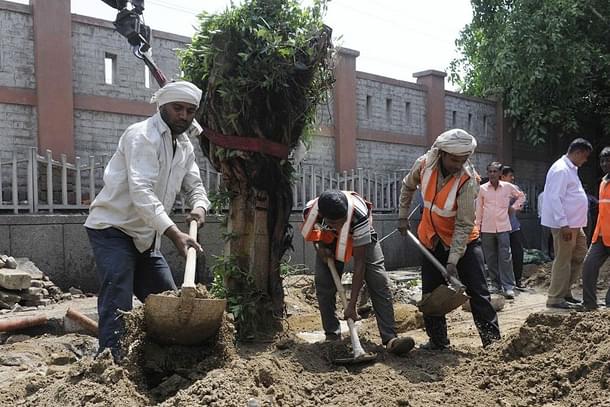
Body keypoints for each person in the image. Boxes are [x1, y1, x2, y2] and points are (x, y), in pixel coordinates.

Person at [85, 81, 210, 359]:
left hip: (145, 237)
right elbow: (141, 191)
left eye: (190, 111)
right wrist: (175, 234)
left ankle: (165, 360)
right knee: (118, 291)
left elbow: (195, 185)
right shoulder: (142, 136)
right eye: (178, 108)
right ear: (162, 106)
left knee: (167, 300)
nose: (184, 116)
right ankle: (110, 361)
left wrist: (199, 207)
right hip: (112, 228)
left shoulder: (185, 146)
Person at [398, 128, 501, 350]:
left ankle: (492, 344)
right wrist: (402, 216)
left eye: (463, 160)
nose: (458, 164)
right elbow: (408, 186)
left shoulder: (468, 180)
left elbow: (464, 224)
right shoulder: (425, 164)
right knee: (431, 295)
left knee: (478, 293)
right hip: (431, 238)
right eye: (454, 159)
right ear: (442, 153)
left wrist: (453, 260)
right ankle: (438, 341)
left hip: (463, 242)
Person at [301, 190, 415, 356]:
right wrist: (320, 249)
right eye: (334, 223)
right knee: (324, 283)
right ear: (324, 216)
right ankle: (332, 336)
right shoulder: (310, 212)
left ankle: (390, 339)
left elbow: (360, 263)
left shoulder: (358, 214)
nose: (339, 226)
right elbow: (313, 235)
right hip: (329, 239)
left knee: (378, 280)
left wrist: (352, 305)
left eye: (341, 222)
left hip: (362, 236)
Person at [541, 138, 593, 309]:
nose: (585, 161)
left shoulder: (571, 169)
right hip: (565, 225)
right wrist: (564, 224)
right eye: (584, 157)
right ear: (577, 153)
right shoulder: (561, 169)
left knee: (579, 255)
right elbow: (554, 198)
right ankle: (555, 298)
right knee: (563, 259)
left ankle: (565, 291)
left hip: (575, 224)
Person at [476, 162, 524, 299]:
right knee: (490, 258)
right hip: (487, 228)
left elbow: (521, 196)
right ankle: (495, 285)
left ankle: (508, 286)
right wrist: (477, 227)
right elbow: (479, 208)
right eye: (490, 171)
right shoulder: (482, 189)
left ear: (500, 173)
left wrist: (514, 207)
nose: (492, 174)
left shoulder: (508, 187)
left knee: (505, 257)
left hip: (503, 226)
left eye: (495, 171)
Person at [582, 147, 610, 310]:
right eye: (602, 160)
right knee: (588, 267)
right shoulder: (603, 182)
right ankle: (589, 304)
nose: (605, 163)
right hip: (600, 236)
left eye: (608, 160)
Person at [500, 165, 527, 289]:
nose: (512, 178)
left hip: (514, 226)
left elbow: (521, 203)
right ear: (503, 176)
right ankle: (503, 281)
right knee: (502, 254)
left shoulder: (514, 189)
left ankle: (518, 279)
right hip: (499, 227)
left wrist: (515, 207)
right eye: (510, 176)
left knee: (518, 253)